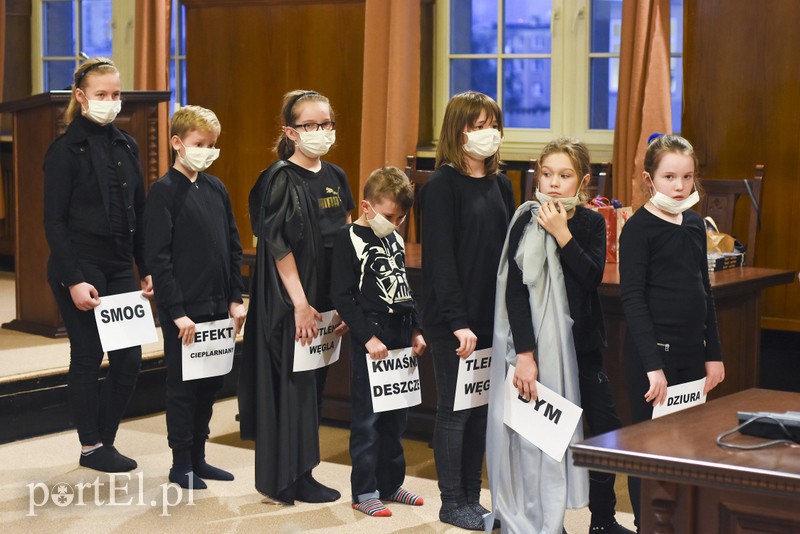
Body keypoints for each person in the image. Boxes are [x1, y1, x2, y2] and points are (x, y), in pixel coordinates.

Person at [487, 137, 634, 533]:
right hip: (534, 351)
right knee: (538, 437)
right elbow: (514, 291)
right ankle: (545, 521)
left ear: (583, 181)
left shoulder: (588, 222)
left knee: (604, 429)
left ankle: (602, 519)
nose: (553, 183)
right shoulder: (523, 218)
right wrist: (526, 355)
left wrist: (562, 233)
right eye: (547, 173)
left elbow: (589, 277)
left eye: (565, 176)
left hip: (581, 347)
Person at [238, 89, 353, 504]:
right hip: (294, 300)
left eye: (327, 123)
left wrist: (344, 301)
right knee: (293, 388)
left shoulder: (336, 176)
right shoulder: (279, 179)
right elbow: (278, 246)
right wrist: (301, 304)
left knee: (314, 384)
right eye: (311, 125)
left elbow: (345, 233)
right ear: (291, 131)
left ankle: (305, 469)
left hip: (327, 297)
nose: (321, 131)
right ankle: (288, 478)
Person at [44, 57, 151, 473]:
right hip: (80, 264)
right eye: (101, 95)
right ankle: (91, 446)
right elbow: (53, 221)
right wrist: (74, 279)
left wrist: (146, 266)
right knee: (88, 355)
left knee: (129, 358)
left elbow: (139, 211)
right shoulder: (64, 151)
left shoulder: (127, 144)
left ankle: (103, 441)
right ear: (81, 97)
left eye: (115, 94)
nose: (110, 102)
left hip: (119, 263)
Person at [619, 134, 725, 529]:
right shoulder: (638, 229)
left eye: (687, 177)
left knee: (686, 447)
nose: (679, 187)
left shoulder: (695, 224)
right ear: (650, 179)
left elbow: (705, 293)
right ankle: (647, 524)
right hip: (653, 360)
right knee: (650, 448)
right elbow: (632, 300)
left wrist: (713, 353)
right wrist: (653, 366)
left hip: (691, 355)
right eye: (669, 177)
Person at [420, 91, 515, 530]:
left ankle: (472, 497)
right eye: (477, 126)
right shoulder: (441, 186)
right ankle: (451, 500)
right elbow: (439, 260)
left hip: (491, 317)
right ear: (458, 132)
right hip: (453, 320)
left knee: (481, 408)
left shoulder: (501, 183)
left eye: (491, 124)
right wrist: (458, 322)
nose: (486, 134)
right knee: (456, 411)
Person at [144, 105, 246, 489]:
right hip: (185, 312)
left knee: (211, 383)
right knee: (184, 386)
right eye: (198, 143)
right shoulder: (163, 191)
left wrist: (236, 299)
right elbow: (159, 257)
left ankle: (200, 458)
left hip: (219, 306)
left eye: (212, 145)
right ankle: (180, 462)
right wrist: (175, 311)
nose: (206, 150)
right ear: (177, 143)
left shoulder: (216, 188)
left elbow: (234, 247)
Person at [330, 166, 427, 517]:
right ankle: (364, 490)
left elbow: (404, 289)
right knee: (368, 420)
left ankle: (390, 483)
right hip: (371, 337)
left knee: (395, 418)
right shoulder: (348, 238)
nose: (395, 223)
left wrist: (416, 329)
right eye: (388, 216)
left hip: (400, 337)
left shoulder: (395, 238)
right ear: (368, 206)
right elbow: (342, 295)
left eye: (400, 218)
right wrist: (366, 336)